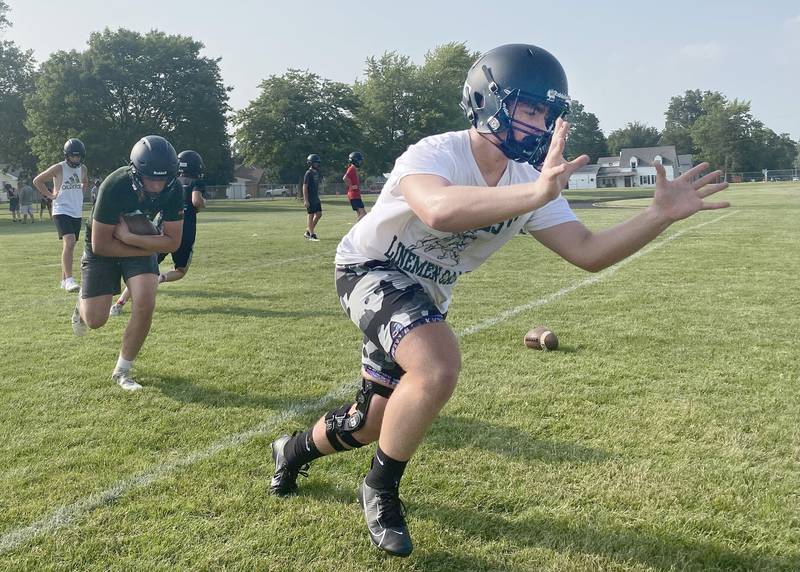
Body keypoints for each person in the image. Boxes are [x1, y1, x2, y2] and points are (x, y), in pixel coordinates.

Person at [267, 43, 730, 558]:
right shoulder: (436, 152)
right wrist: (536, 195)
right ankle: (380, 489)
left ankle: (292, 449)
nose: (541, 125)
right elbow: (439, 209)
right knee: (438, 365)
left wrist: (658, 216)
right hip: (369, 270)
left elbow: (588, 252)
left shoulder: (531, 181)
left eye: (549, 114)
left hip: (424, 294)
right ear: (487, 100)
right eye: (530, 109)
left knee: (373, 419)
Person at [71, 135, 183, 391]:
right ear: (135, 172)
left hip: (136, 241)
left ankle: (122, 370)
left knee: (145, 301)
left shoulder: (175, 189)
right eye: (150, 178)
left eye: (162, 179)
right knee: (96, 320)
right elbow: (101, 245)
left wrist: (131, 237)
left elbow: (173, 242)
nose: (156, 186)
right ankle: (81, 304)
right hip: (104, 246)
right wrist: (144, 242)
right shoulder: (115, 184)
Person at [110, 150, 206, 316]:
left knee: (144, 267)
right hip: (184, 231)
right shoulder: (195, 182)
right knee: (180, 270)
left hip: (160, 230)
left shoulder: (170, 182)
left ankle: (119, 303)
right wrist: (203, 203)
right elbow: (196, 200)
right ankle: (161, 278)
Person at [33, 138, 89, 292]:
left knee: (69, 245)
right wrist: (50, 195)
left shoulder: (83, 168)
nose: (76, 159)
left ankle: (64, 280)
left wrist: (80, 195)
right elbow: (37, 181)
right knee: (70, 241)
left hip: (76, 211)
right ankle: (70, 280)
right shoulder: (59, 168)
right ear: (67, 155)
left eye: (78, 156)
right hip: (61, 210)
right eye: (73, 156)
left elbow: (85, 182)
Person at [302, 154, 322, 241]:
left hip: (316, 197)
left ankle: (308, 231)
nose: (317, 164)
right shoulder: (308, 173)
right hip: (310, 197)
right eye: (315, 163)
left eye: (318, 163)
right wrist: (306, 200)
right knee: (311, 215)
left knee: (319, 214)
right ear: (311, 163)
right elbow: (304, 187)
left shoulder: (316, 172)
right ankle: (311, 234)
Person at [343, 151, 367, 221]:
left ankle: (359, 231)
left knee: (360, 214)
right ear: (354, 161)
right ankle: (354, 230)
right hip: (354, 195)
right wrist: (351, 186)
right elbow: (345, 178)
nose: (360, 163)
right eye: (359, 161)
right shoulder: (352, 168)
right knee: (364, 214)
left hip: (355, 195)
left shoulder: (354, 169)